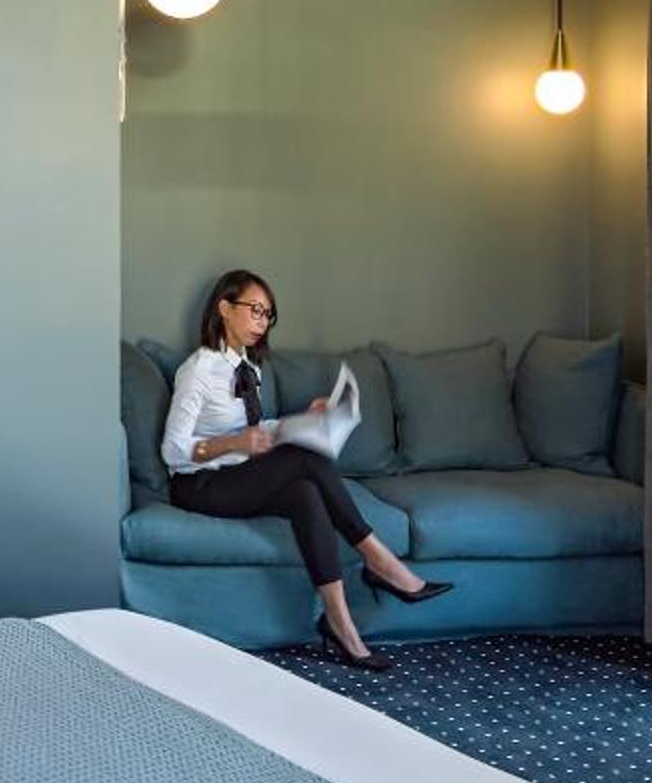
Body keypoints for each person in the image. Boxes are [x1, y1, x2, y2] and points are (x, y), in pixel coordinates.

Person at [161, 268, 451, 671]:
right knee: (306, 458)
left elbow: (252, 429)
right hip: (199, 484)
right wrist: (233, 443)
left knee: (305, 493)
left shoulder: (248, 367)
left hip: (238, 475)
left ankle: (340, 625)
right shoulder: (198, 370)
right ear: (224, 308)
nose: (262, 322)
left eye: (268, 315)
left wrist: (299, 421)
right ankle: (380, 561)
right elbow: (173, 450)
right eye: (255, 310)